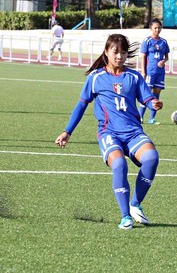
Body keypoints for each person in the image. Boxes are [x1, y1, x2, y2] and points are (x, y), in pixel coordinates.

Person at [54, 34, 163, 230]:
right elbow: (81, 105)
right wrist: (67, 131)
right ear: (106, 52)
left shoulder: (134, 76)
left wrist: (153, 102)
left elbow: (146, 98)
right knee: (119, 164)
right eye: (115, 52)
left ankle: (135, 204)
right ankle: (125, 217)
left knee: (152, 158)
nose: (119, 56)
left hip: (133, 133)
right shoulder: (96, 78)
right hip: (109, 133)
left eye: (123, 52)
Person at [139, 18, 170, 125]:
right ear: (151, 28)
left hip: (160, 72)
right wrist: (143, 71)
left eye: (159, 28)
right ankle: (140, 117)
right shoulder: (147, 41)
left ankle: (151, 118)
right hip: (150, 71)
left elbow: (167, 56)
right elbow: (143, 56)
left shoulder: (164, 42)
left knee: (156, 94)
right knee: (147, 94)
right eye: (155, 28)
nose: (157, 30)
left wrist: (163, 61)